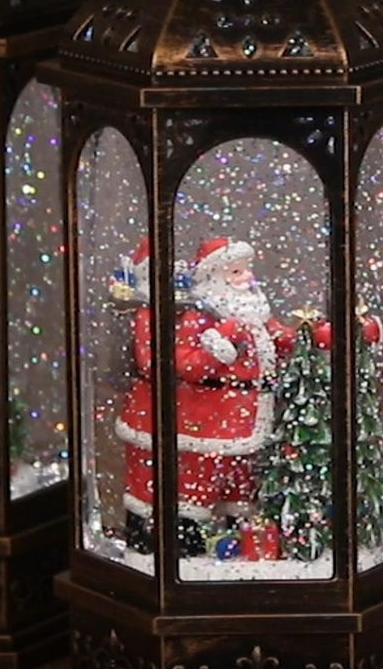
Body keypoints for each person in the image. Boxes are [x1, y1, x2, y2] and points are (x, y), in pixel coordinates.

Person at [116, 237, 295, 557]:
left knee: (239, 476)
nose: (247, 279)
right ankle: (185, 538)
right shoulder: (200, 320)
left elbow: (278, 341)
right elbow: (185, 363)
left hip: (249, 415)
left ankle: (239, 533)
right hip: (210, 418)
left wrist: (297, 338)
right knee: (198, 477)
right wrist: (219, 351)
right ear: (215, 278)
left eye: (247, 271)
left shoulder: (254, 316)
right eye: (237, 272)